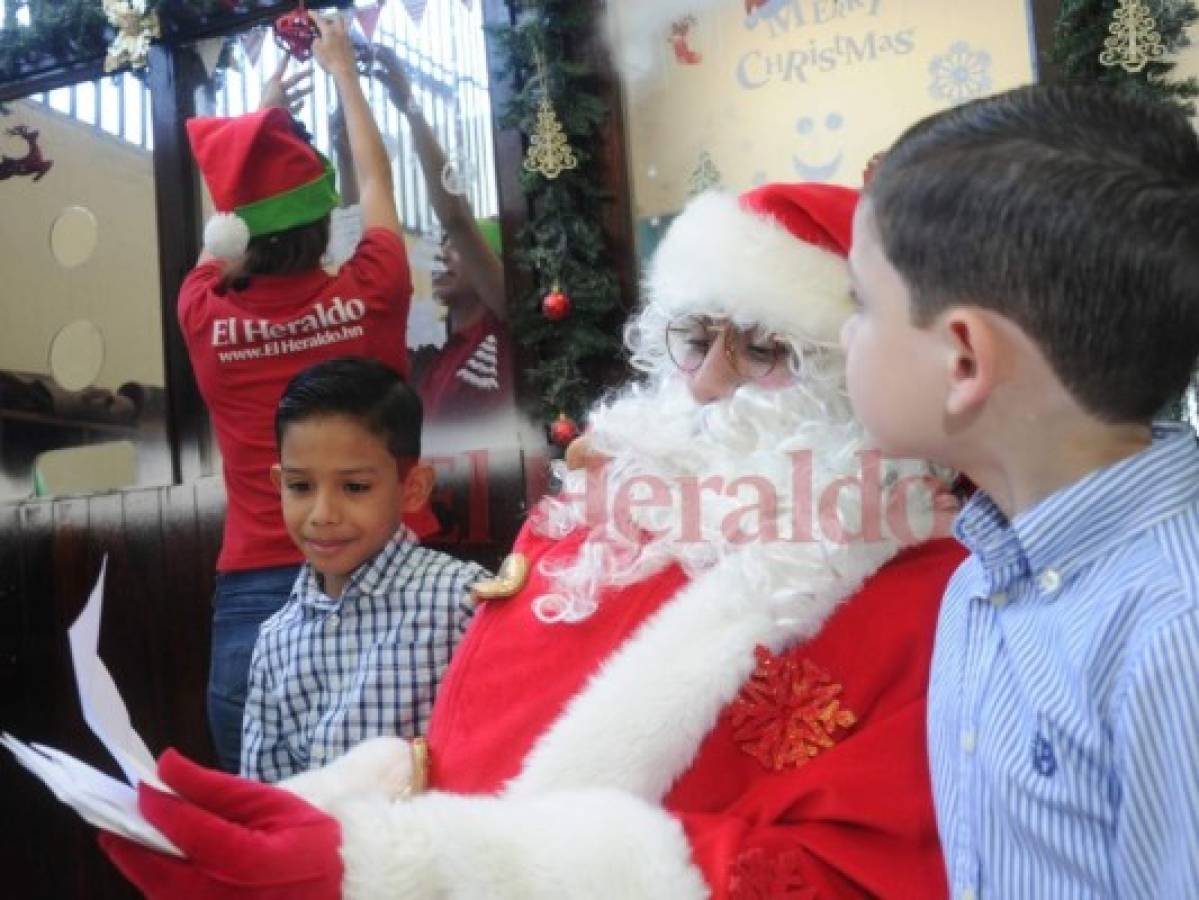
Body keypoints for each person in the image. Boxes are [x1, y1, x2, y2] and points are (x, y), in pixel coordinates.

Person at [100, 182, 965, 898]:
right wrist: (333, 809)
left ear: (854, 376)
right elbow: (469, 748)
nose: (703, 384)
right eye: (695, 341)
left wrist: (409, 869)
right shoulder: (601, 521)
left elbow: (860, 873)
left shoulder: (930, 599)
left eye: (765, 350)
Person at [839, 84, 1199, 897]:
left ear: (963, 359)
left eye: (860, 303)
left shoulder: (1175, 635)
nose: (844, 334)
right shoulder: (979, 581)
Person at [182, 14, 413, 772]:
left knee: (271, 840)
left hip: (251, 596)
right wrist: (344, 73)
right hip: (386, 583)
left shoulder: (202, 310)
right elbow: (376, 182)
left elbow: (223, 228)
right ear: (325, 222)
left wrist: (261, 109)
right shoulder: (372, 290)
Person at [241, 357, 488, 783]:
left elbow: (500, 761)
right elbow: (268, 798)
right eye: (300, 486)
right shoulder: (275, 641)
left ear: (412, 488)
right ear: (278, 483)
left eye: (354, 487)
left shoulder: (463, 602)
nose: (322, 514)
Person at [371, 43, 513, 421]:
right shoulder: (435, 350)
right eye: (443, 247)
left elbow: (455, 216)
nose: (442, 254)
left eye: (459, 249)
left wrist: (411, 108)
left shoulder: (503, 325)